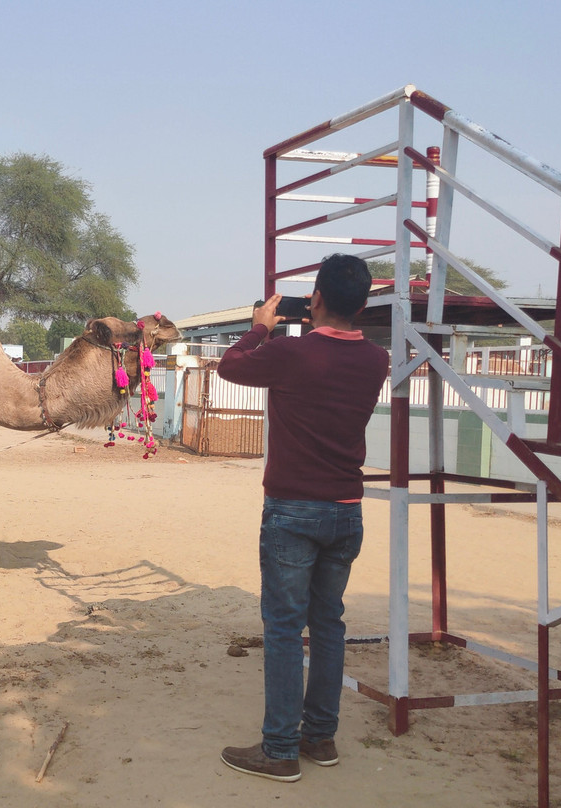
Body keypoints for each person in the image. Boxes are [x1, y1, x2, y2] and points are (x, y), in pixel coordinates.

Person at [216, 253, 390, 783]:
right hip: (346, 509)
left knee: (285, 629)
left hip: (293, 509)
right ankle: (320, 736)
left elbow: (229, 366)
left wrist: (259, 329)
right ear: (362, 305)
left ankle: (280, 749)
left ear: (314, 298)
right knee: (329, 626)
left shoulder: (291, 353)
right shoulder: (377, 359)